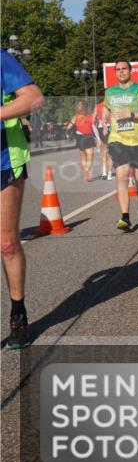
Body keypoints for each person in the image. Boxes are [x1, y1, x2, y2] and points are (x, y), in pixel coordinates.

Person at [1, 50, 44, 348]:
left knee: (7, 243)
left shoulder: (1, 58)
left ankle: (18, 315)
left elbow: (33, 98)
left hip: (4, 159)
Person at [101, 60, 138, 231]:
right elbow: (106, 108)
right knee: (122, 174)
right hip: (118, 139)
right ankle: (125, 217)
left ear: (130, 71)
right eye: (118, 70)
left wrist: (130, 114)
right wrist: (103, 121)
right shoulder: (110, 92)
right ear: (115, 73)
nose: (121, 72)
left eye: (124, 69)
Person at [65, 100, 97, 181]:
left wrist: (69, 131)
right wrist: (98, 138)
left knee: (83, 156)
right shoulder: (90, 116)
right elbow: (94, 128)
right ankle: (87, 171)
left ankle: (85, 171)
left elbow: (68, 127)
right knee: (90, 157)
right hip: (88, 137)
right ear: (86, 107)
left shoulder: (75, 116)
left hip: (80, 138)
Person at [93, 96, 113, 180]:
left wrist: (97, 136)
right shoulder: (111, 105)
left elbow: (93, 121)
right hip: (110, 128)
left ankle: (104, 173)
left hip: (101, 128)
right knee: (111, 153)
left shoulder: (97, 106)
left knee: (104, 152)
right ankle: (109, 175)